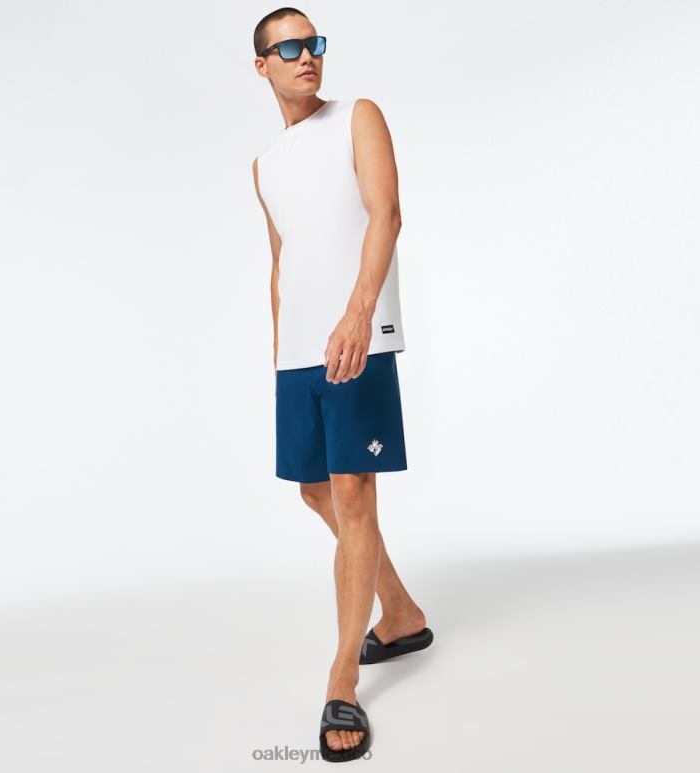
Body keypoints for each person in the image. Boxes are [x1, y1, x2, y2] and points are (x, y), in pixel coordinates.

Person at [251, 7, 434, 762]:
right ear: (262, 66)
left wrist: (360, 314)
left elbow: (386, 214)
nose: (307, 56)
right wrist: (278, 351)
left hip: (359, 334)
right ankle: (400, 612)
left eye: (314, 43)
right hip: (298, 351)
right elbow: (280, 260)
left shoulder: (357, 116)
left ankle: (342, 681)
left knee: (353, 491)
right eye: (289, 47)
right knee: (314, 490)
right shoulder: (264, 165)